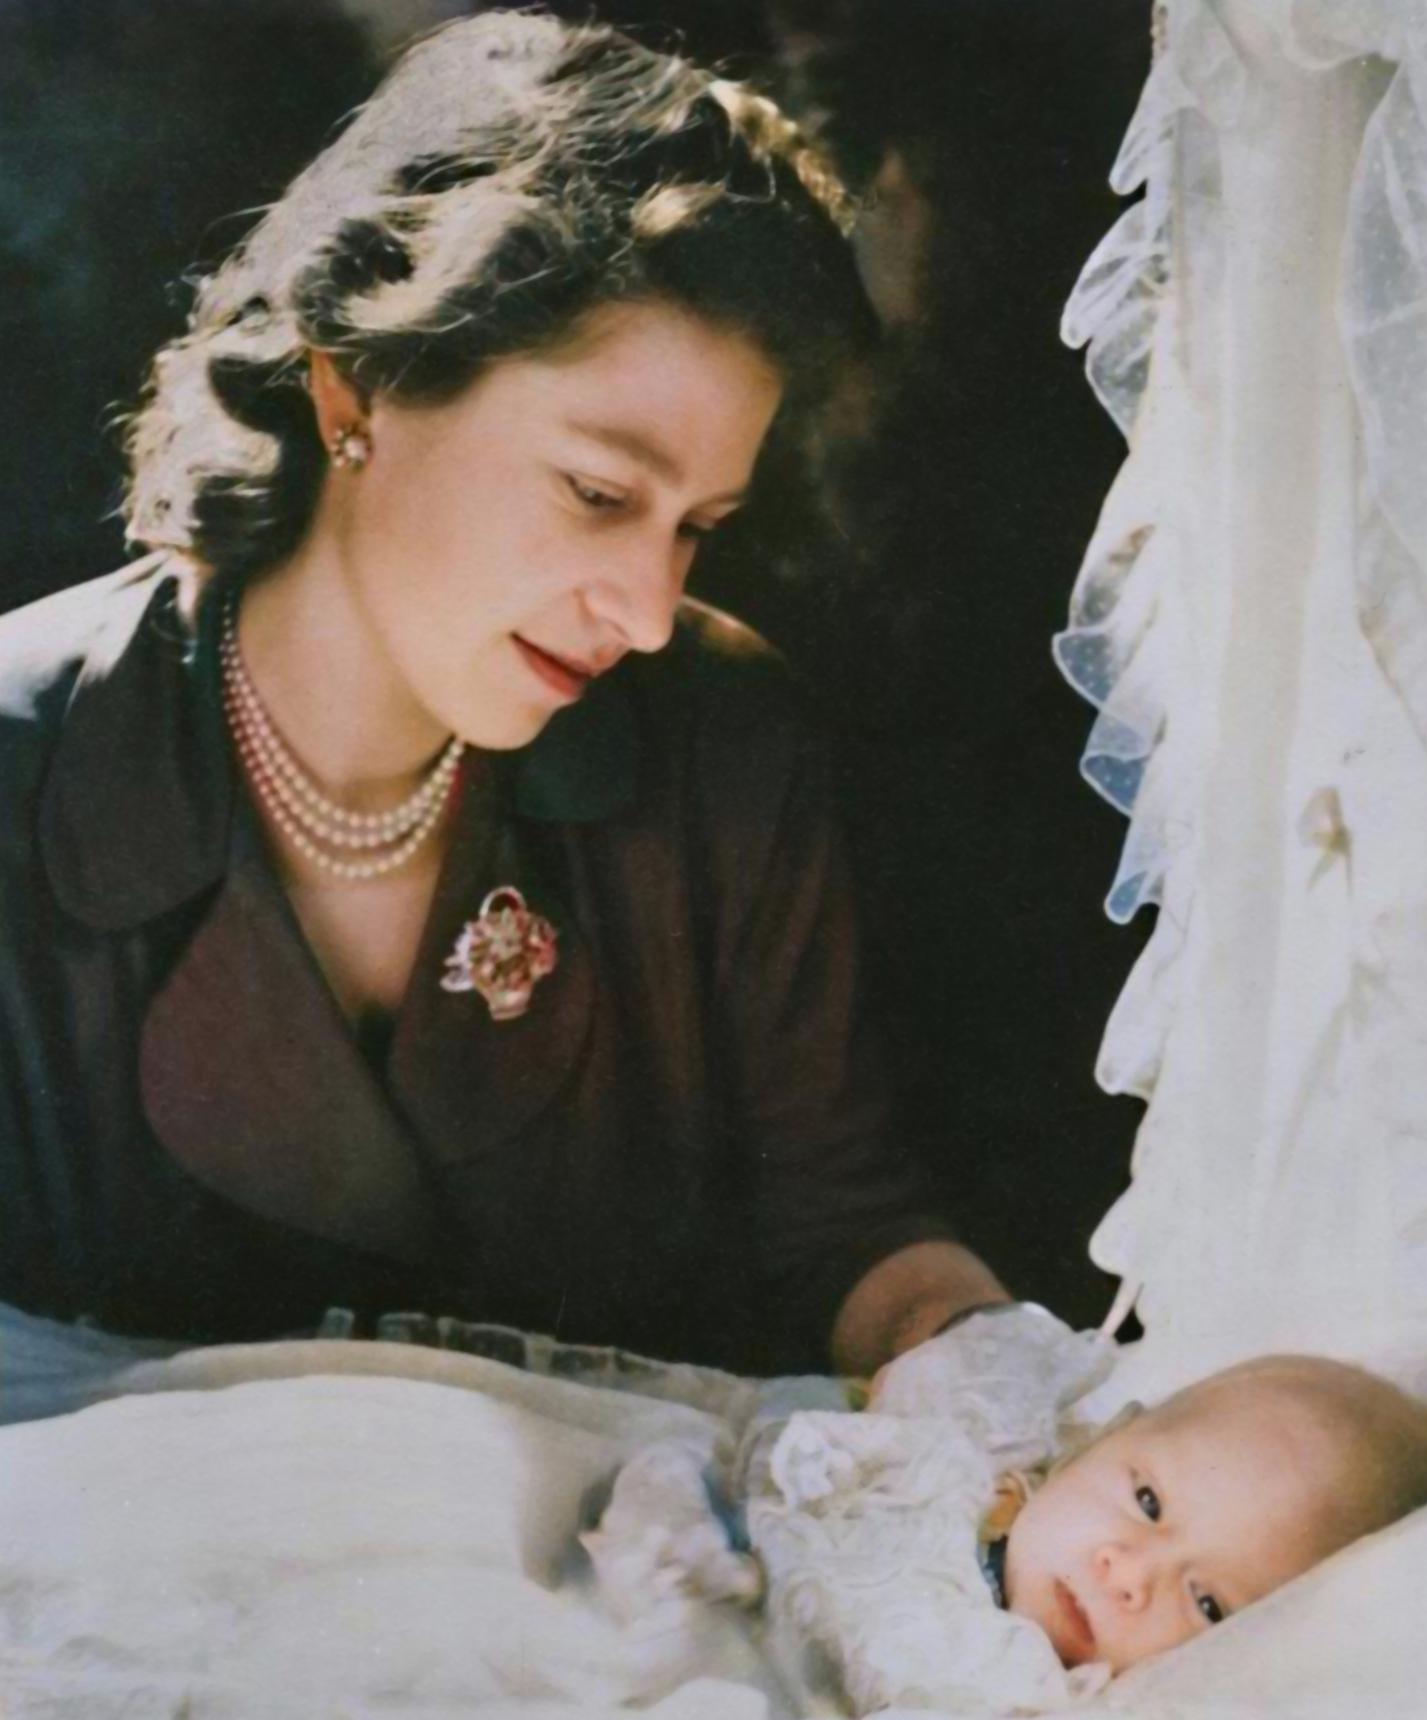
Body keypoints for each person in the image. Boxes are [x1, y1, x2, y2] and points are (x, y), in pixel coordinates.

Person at [0, 10, 1007, 1375]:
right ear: (357, 386)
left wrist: (973, 1360)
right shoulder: (25, 762)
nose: (647, 610)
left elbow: (840, 1227)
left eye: (695, 523)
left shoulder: (725, 744)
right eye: (599, 494)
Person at [729, 1340, 1427, 1712]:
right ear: (1102, 1439)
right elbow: (790, 1439)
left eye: (1207, 1605)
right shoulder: (960, 1469)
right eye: (1146, 1502)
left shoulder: (1035, 1700)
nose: (1129, 1573)